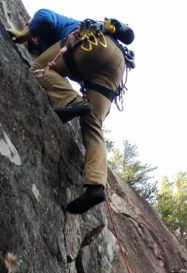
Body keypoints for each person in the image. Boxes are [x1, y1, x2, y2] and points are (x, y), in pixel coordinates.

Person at [7, 9, 132, 214]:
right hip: (115, 63)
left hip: (90, 42)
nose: (32, 47)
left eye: (32, 42)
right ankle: (96, 186)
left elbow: (44, 17)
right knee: (93, 125)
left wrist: (23, 35)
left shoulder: (51, 23)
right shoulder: (56, 46)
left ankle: (71, 101)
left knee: (38, 70)